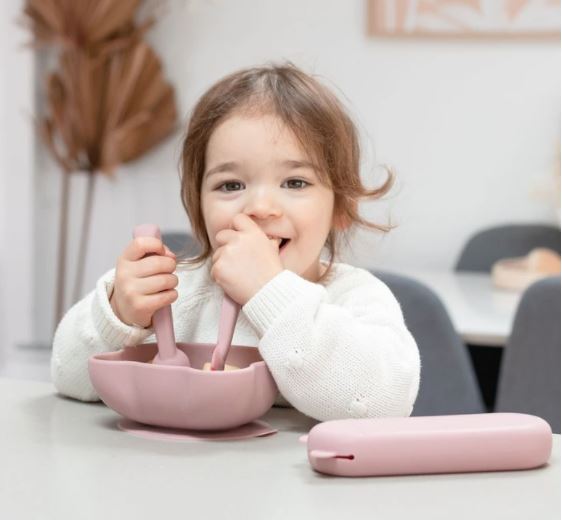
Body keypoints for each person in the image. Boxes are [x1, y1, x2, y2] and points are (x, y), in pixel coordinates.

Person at [51, 62, 420, 421]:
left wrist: (270, 292)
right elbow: (67, 375)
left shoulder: (355, 298)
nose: (260, 207)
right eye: (231, 185)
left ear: (341, 206)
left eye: (295, 182)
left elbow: (385, 402)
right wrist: (118, 316)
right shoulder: (173, 297)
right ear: (199, 208)